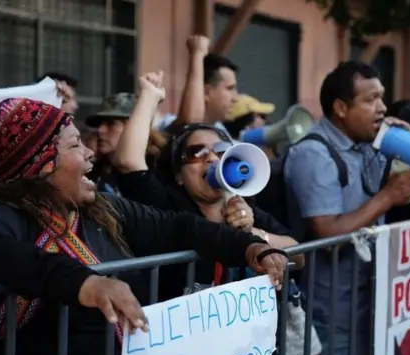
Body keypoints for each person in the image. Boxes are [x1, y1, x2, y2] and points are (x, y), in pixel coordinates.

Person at [0, 97, 288, 355]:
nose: (91, 152)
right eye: (76, 144)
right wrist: (85, 283)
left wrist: (249, 247)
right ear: (42, 163)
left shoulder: (100, 208)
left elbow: (179, 228)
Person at [111, 71, 304, 301]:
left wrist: (251, 235)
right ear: (178, 175)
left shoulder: (241, 206)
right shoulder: (167, 204)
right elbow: (127, 162)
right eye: (196, 152)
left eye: (220, 150)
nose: (212, 159)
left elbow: (299, 255)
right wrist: (149, 97)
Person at [284, 61, 410, 355]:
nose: (382, 108)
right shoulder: (313, 153)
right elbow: (327, 230)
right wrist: (387, 198)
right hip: (331, 313)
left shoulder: (368, 146)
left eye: (382, 97)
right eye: (370, 99)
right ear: (341, 108)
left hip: (370, 303)